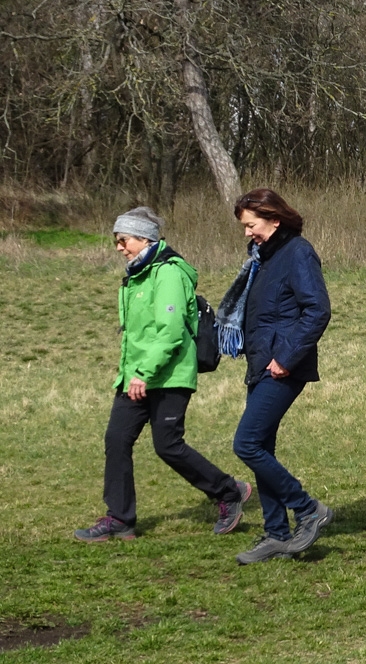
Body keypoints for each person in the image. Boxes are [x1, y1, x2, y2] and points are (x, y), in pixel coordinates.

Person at [74, 207, 251, 543]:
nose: (119, 247)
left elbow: (169, 332)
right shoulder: (135, 275)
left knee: (167, 446)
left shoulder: (169, 273)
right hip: (135, 377)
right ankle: (120, 519)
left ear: (145, 238)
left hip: (167, 376)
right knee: (116, 440)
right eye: (117, 241)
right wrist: (131, 374)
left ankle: (229, 492)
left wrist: (144, 372)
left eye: (123, 240)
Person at [229, 189, 335, 564]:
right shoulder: (264, 257)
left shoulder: (297, 252)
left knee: (247, 444)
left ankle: (307, 509)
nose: (247, 234)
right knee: (262, 447)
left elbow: (317, 310)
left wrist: (286, 358)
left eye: (251, 225)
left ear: (274, 219)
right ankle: (276, 534)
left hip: (283, 366)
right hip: (261, 363)